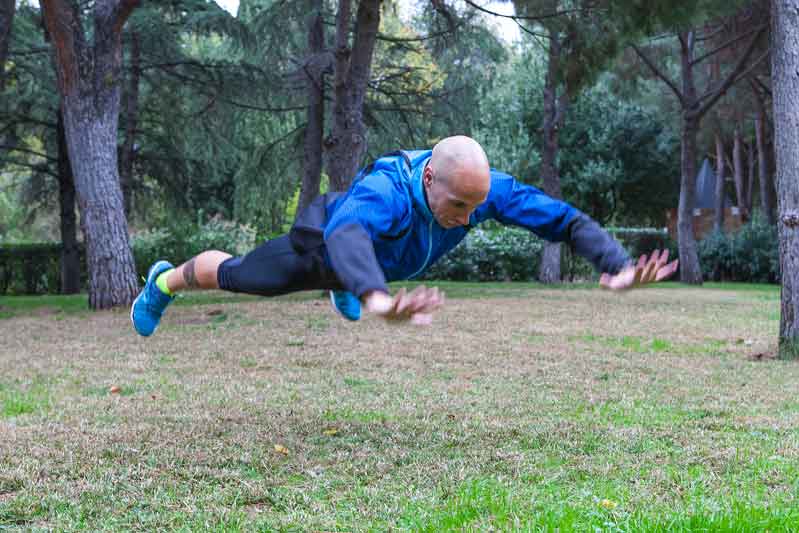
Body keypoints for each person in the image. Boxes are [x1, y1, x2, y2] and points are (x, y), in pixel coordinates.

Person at [131, 135, 678, 336]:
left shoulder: (481, 191)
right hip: (326, 243)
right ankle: (163, 282)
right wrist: (375, 296)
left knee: (363, 267)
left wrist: (617, 264)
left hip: (370, 261)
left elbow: (561, 218)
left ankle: (350, 288)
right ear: (429, 178)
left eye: (477, 207)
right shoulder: (387, 191)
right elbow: (348, 235)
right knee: (240, 276)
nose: (467, 218)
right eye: (458, 206)